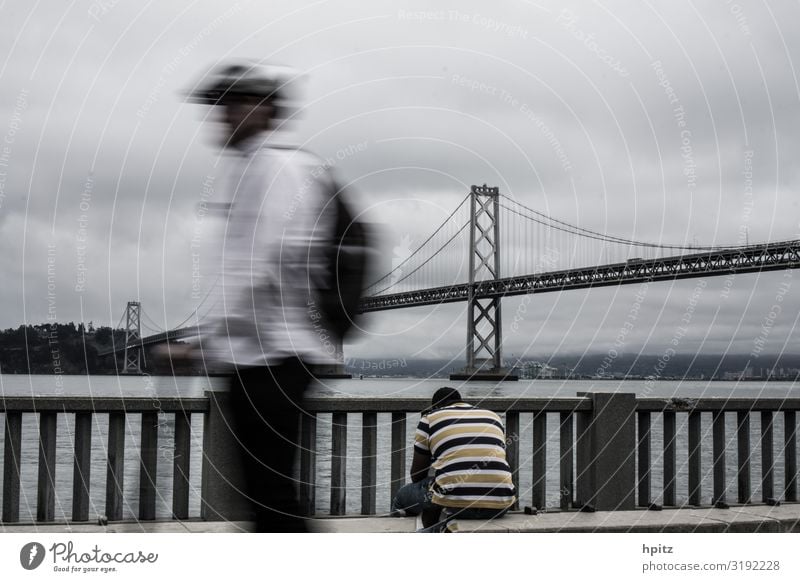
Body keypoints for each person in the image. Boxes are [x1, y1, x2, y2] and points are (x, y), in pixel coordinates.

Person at [183, 60, 341, 532]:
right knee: (268, 497)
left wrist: (205, 342)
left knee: (270, 500)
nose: (223, 115)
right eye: (219, 105)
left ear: (266, 110)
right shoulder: (261, 167)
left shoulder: (270, 169)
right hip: (262, 356)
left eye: (234, 103)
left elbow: (259, 266)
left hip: (272, 357)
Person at [392, 387, 516, 531]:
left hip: (454, 506)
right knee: (438, 491)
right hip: (500, 505)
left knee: (402, 496)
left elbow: (417, 475)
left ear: (435, 407)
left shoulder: (430, 418)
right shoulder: (493, 417)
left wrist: (436, 456)